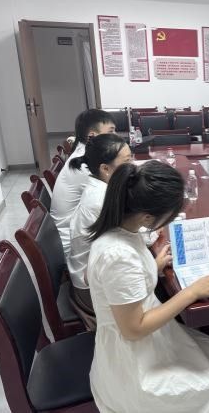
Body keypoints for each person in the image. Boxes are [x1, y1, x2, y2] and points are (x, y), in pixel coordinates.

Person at [86, 161, 209, 412]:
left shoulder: (122, 231)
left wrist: (153, 265)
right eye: (169, 215)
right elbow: (133, 329)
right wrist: (191, 292)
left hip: (147, 338)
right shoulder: (118, 256)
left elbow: (125, 286)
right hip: (132, 361)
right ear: (147, 217)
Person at [68, 134, 132, 327]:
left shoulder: (100, 187)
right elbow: (141, 236)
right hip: (91, 291)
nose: (133, 166)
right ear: (105, 169)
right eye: (127, 162)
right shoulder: (102, 200)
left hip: (91, 275)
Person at [50, 109, 116, 259]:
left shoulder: (83, 154)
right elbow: (115, 198)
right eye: (111, 131)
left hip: (75, 235)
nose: (116, 137)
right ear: (92, 135)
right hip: (73, 248)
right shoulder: (84, 165)